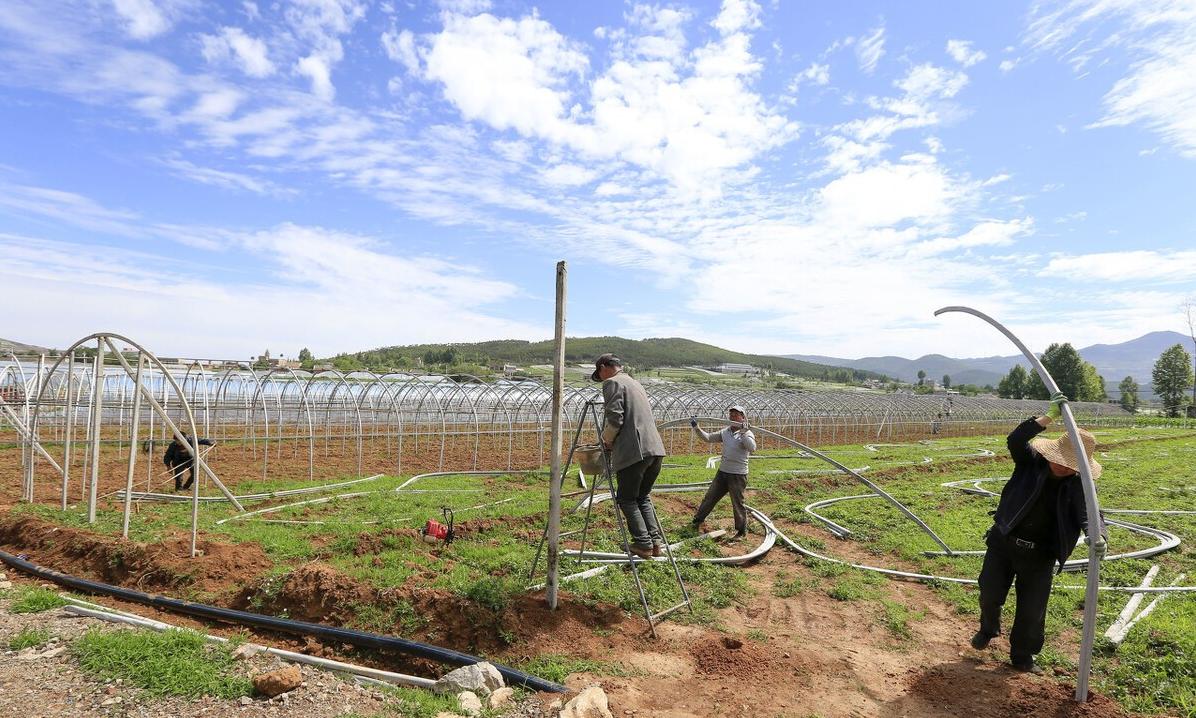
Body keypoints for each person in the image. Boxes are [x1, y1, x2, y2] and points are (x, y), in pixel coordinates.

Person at [971, 392, 1107, 673]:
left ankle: (1022, 656)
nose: (1062, 466)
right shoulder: (1030, 462)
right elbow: (1015, 440)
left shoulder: (1079, 486)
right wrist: (1047, 418)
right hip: (1004, 541)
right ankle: (988, 628)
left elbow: (1092, 515)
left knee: (1032, 611)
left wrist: (1098, 535)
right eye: (1060, 459)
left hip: (1040, 554)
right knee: (989, 591)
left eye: (1070, 464)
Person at [592, 354, 667, 559]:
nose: (601, 377)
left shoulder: (612, 383)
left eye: (599, 373)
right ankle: (655, 542)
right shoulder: (635, 383)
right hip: (655, 449)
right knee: (642, 497)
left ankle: (643, 544)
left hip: (635, 451)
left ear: (604, 367)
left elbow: (615, 418)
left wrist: (606, 440)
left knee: (626, 499)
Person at [689, 405, 756, 539]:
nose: (733, 417)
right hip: (723, 472)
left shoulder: (747, 433)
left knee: (737, 503)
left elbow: (752, 448)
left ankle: (741, 531)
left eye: (736, 415)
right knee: (710, 497)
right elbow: (708, 438)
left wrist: (743, 432)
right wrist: (696, 428)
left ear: (743, 417)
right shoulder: (725, 432)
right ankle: (697, 520)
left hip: (738, 474)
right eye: (731, 415)